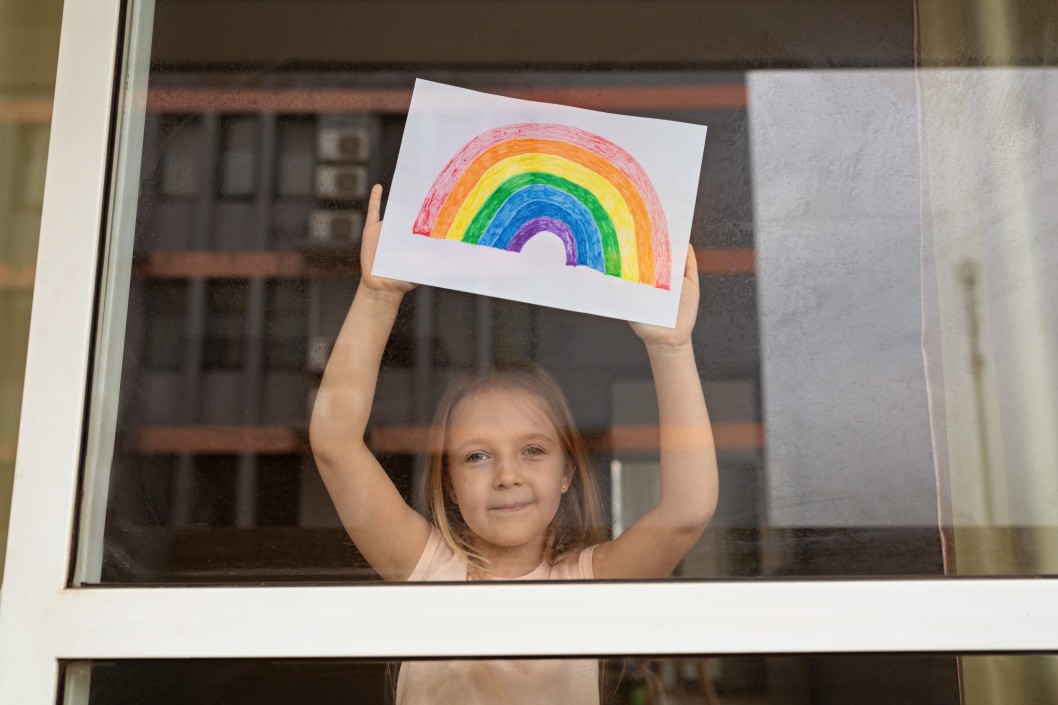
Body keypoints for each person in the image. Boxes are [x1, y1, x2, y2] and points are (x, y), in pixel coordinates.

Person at [309, 184, 719, 705]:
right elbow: (334, 443)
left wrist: (671, 347)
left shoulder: (587, 585)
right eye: (476, 456)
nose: (508, 475)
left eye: (533, 450)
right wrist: (378, 295)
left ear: (568, 471)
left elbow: (689, 510)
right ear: (450, 485)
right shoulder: (427, 570)